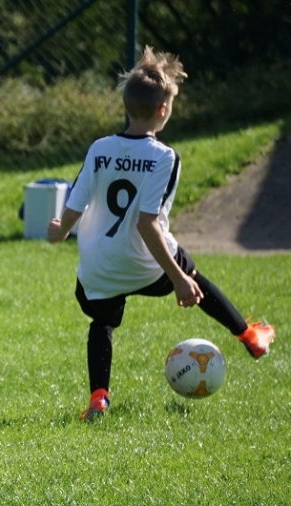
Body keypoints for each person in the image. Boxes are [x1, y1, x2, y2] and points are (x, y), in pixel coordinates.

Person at [47, 46, 275, 421]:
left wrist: (60, 231)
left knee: (102, 323)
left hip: (100, 266)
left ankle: (98, 398)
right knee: (192, 272)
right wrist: (179, 279)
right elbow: (146, 223)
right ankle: (249, 335)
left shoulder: (99, 148)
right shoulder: (164, 157)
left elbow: (75, 205)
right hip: (148, 267)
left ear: (126, 107)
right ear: (163, 109)